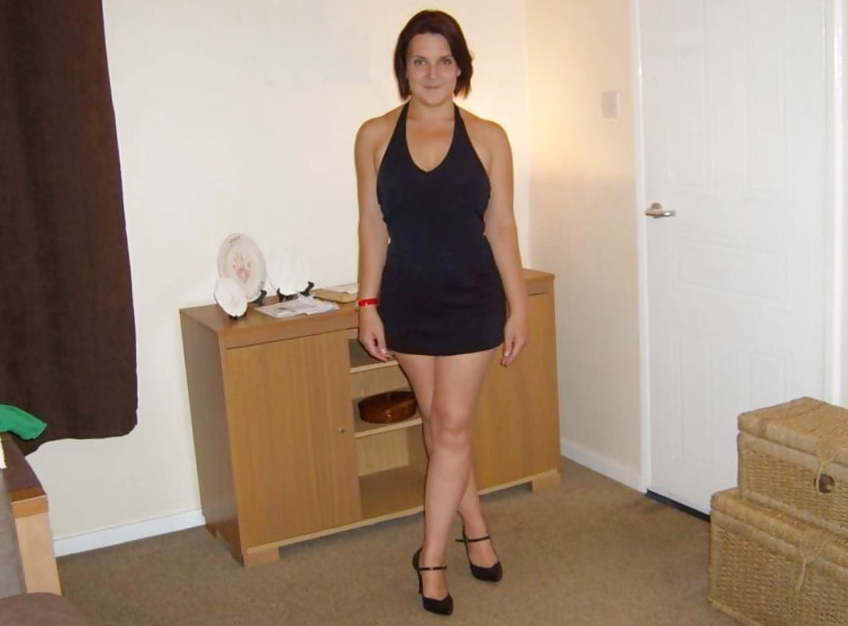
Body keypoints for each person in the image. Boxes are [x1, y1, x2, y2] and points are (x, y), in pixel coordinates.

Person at [354, 9, 528, 616]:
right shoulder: (375, 135)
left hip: (472, 299)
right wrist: (367, 304)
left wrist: (519, 306)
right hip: (406, 299)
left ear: (461, 68)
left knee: (451, 426)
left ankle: (430, 558)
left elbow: (501, 227)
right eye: (419, 61)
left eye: (444, 60)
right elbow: (371, 226)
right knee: (439, 424)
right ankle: (475, 528)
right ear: (404, 69)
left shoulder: (489, 137)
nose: (432, 73)